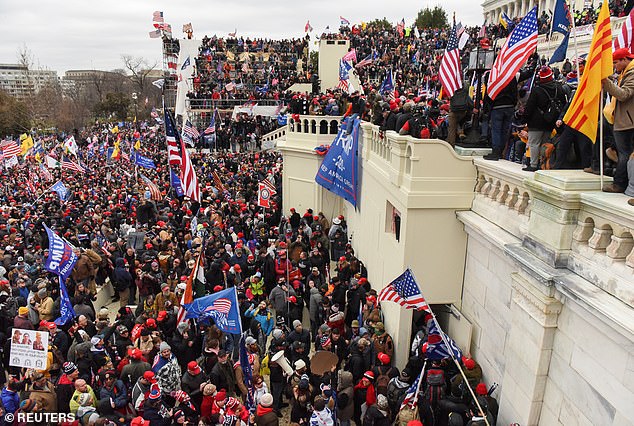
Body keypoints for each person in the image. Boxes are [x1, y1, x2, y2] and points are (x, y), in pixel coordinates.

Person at [522, 66, 567, 171]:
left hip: (535, 122)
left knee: (534, 143)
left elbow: (530, 107)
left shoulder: (537, 90)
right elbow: (563, 104)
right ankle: (543, 163)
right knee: (544, 143)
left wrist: (524, 120)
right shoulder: (558, 88)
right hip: (550, 121)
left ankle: (533, 165)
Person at [602, 48, 634, 193]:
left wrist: (606, 82)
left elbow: (624, 95)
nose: (614, 66)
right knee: (624, 153)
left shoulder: (631, 74)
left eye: (615, 63)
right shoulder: (625, 73)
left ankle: (620, 184)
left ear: (624, 60)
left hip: (627, 122)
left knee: (624, 154)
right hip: (623, 120)